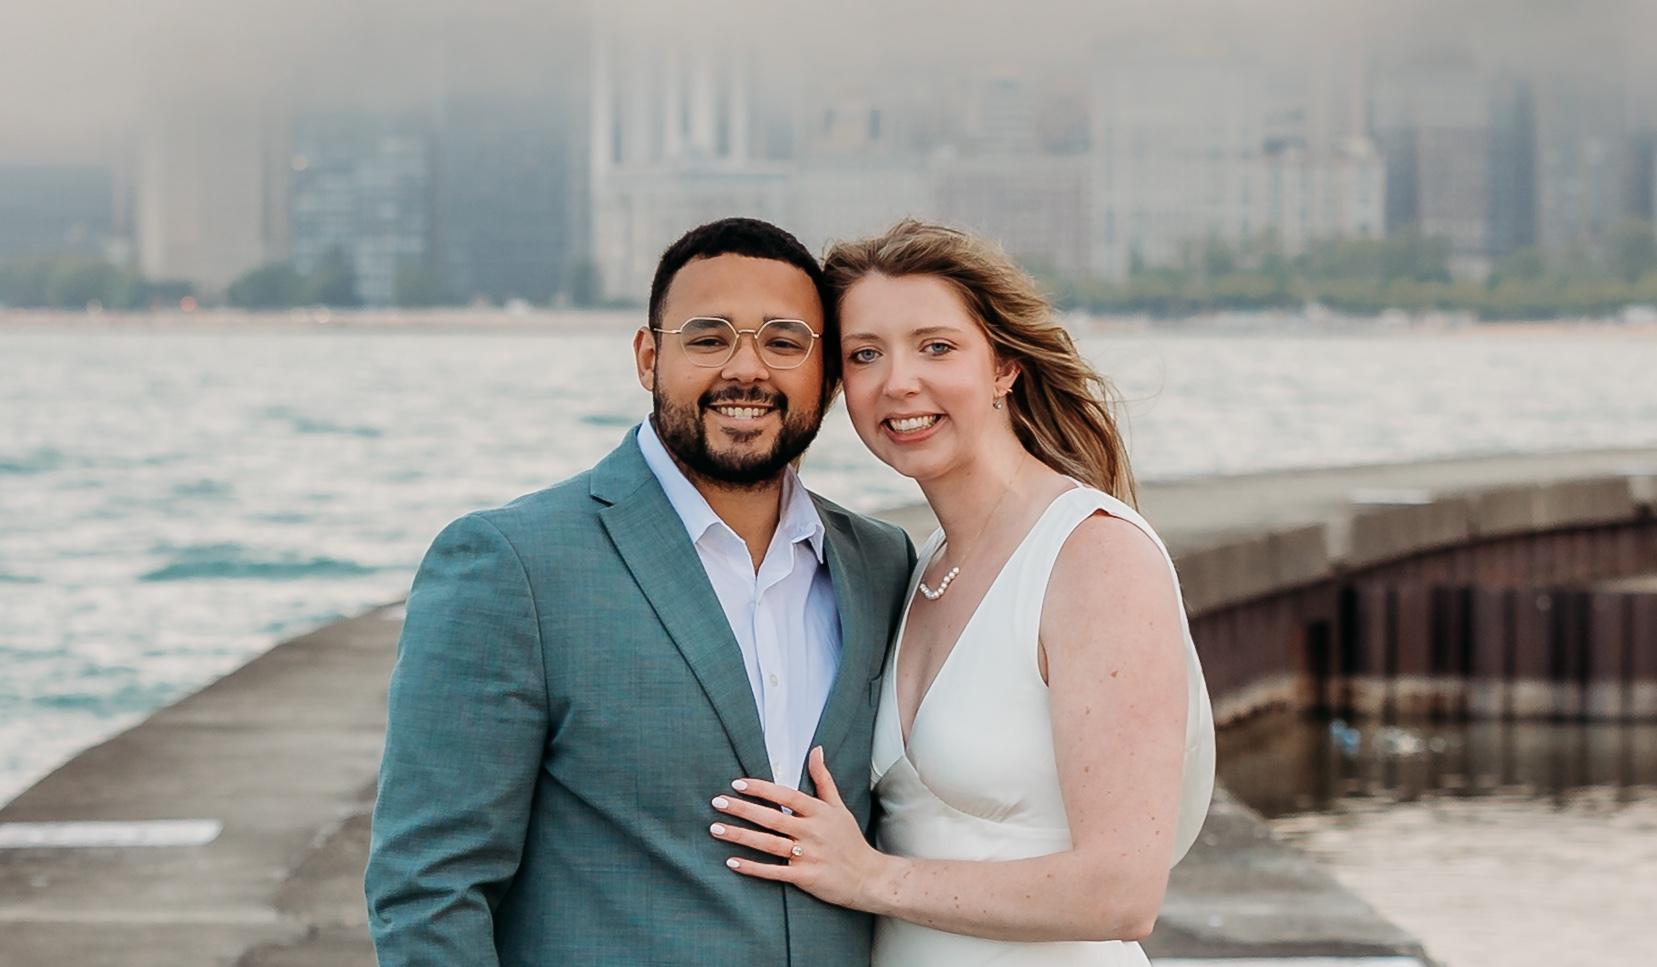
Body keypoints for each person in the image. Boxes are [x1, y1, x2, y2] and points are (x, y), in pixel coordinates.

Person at [365, 217, 915, 966]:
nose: (746, 370)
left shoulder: (880, 563)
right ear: (648, 356)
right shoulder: (512, 565)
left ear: (826, 373)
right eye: (708, 338)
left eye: (784, 342)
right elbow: (427, 889)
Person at [703, 219, 1216, 965]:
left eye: (936, 347)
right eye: (865, 354)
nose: (898, 382)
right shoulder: (917, 568)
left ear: (1003, 365)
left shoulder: (1094, 555)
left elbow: (1121, 892)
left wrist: (869, 877)